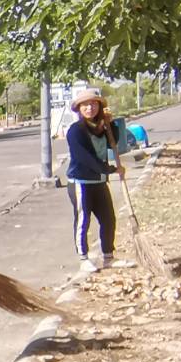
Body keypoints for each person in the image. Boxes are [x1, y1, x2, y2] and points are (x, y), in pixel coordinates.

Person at [65, 88, 136, 272]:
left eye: (94, 104)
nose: (90, 108)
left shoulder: (102, 128)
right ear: (79, 109)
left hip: (99, 181)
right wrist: (111, 169)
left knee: (108, 219)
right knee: (83, 220)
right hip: (80, 182)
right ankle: (84, 258)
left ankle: (108, 257)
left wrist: (110, 125)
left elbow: (116, 142)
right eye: (85, 105)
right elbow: (85, 158)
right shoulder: (75, 131)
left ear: (100, 106)